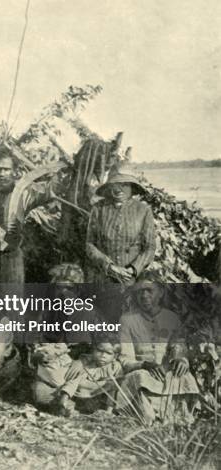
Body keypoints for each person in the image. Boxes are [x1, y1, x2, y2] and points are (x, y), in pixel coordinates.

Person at [116, 274, 200, 424]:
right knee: (140, 378)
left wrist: (181, 359)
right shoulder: (127, 320)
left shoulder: (171, 318)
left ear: (160, 293)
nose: (144, 295)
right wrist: (143, 365)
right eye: (140, 291)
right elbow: (125, 358)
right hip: (141, 371)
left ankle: (178, 415)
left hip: (165, 372)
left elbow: (178, 345)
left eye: (149, 290)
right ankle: (149, 414)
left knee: (184, 377)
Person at [0, 147, 58, 284]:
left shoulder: (23, 194)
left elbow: (48, 191)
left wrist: (53, 174)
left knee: (11, 300)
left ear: (14, 172)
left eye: (6, 169)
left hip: (12, 259)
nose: (1, 174)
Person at [85, 172, 156, 285]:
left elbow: (150, 247)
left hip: (131, 277)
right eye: (115, 185)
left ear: (132, 188)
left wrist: (133, 269)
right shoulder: (98, 208)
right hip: (104, 275)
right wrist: (109, 267)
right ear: (109, 188)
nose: (119, 189)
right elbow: (89, 244)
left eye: (124, 185)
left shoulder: (143, 210)